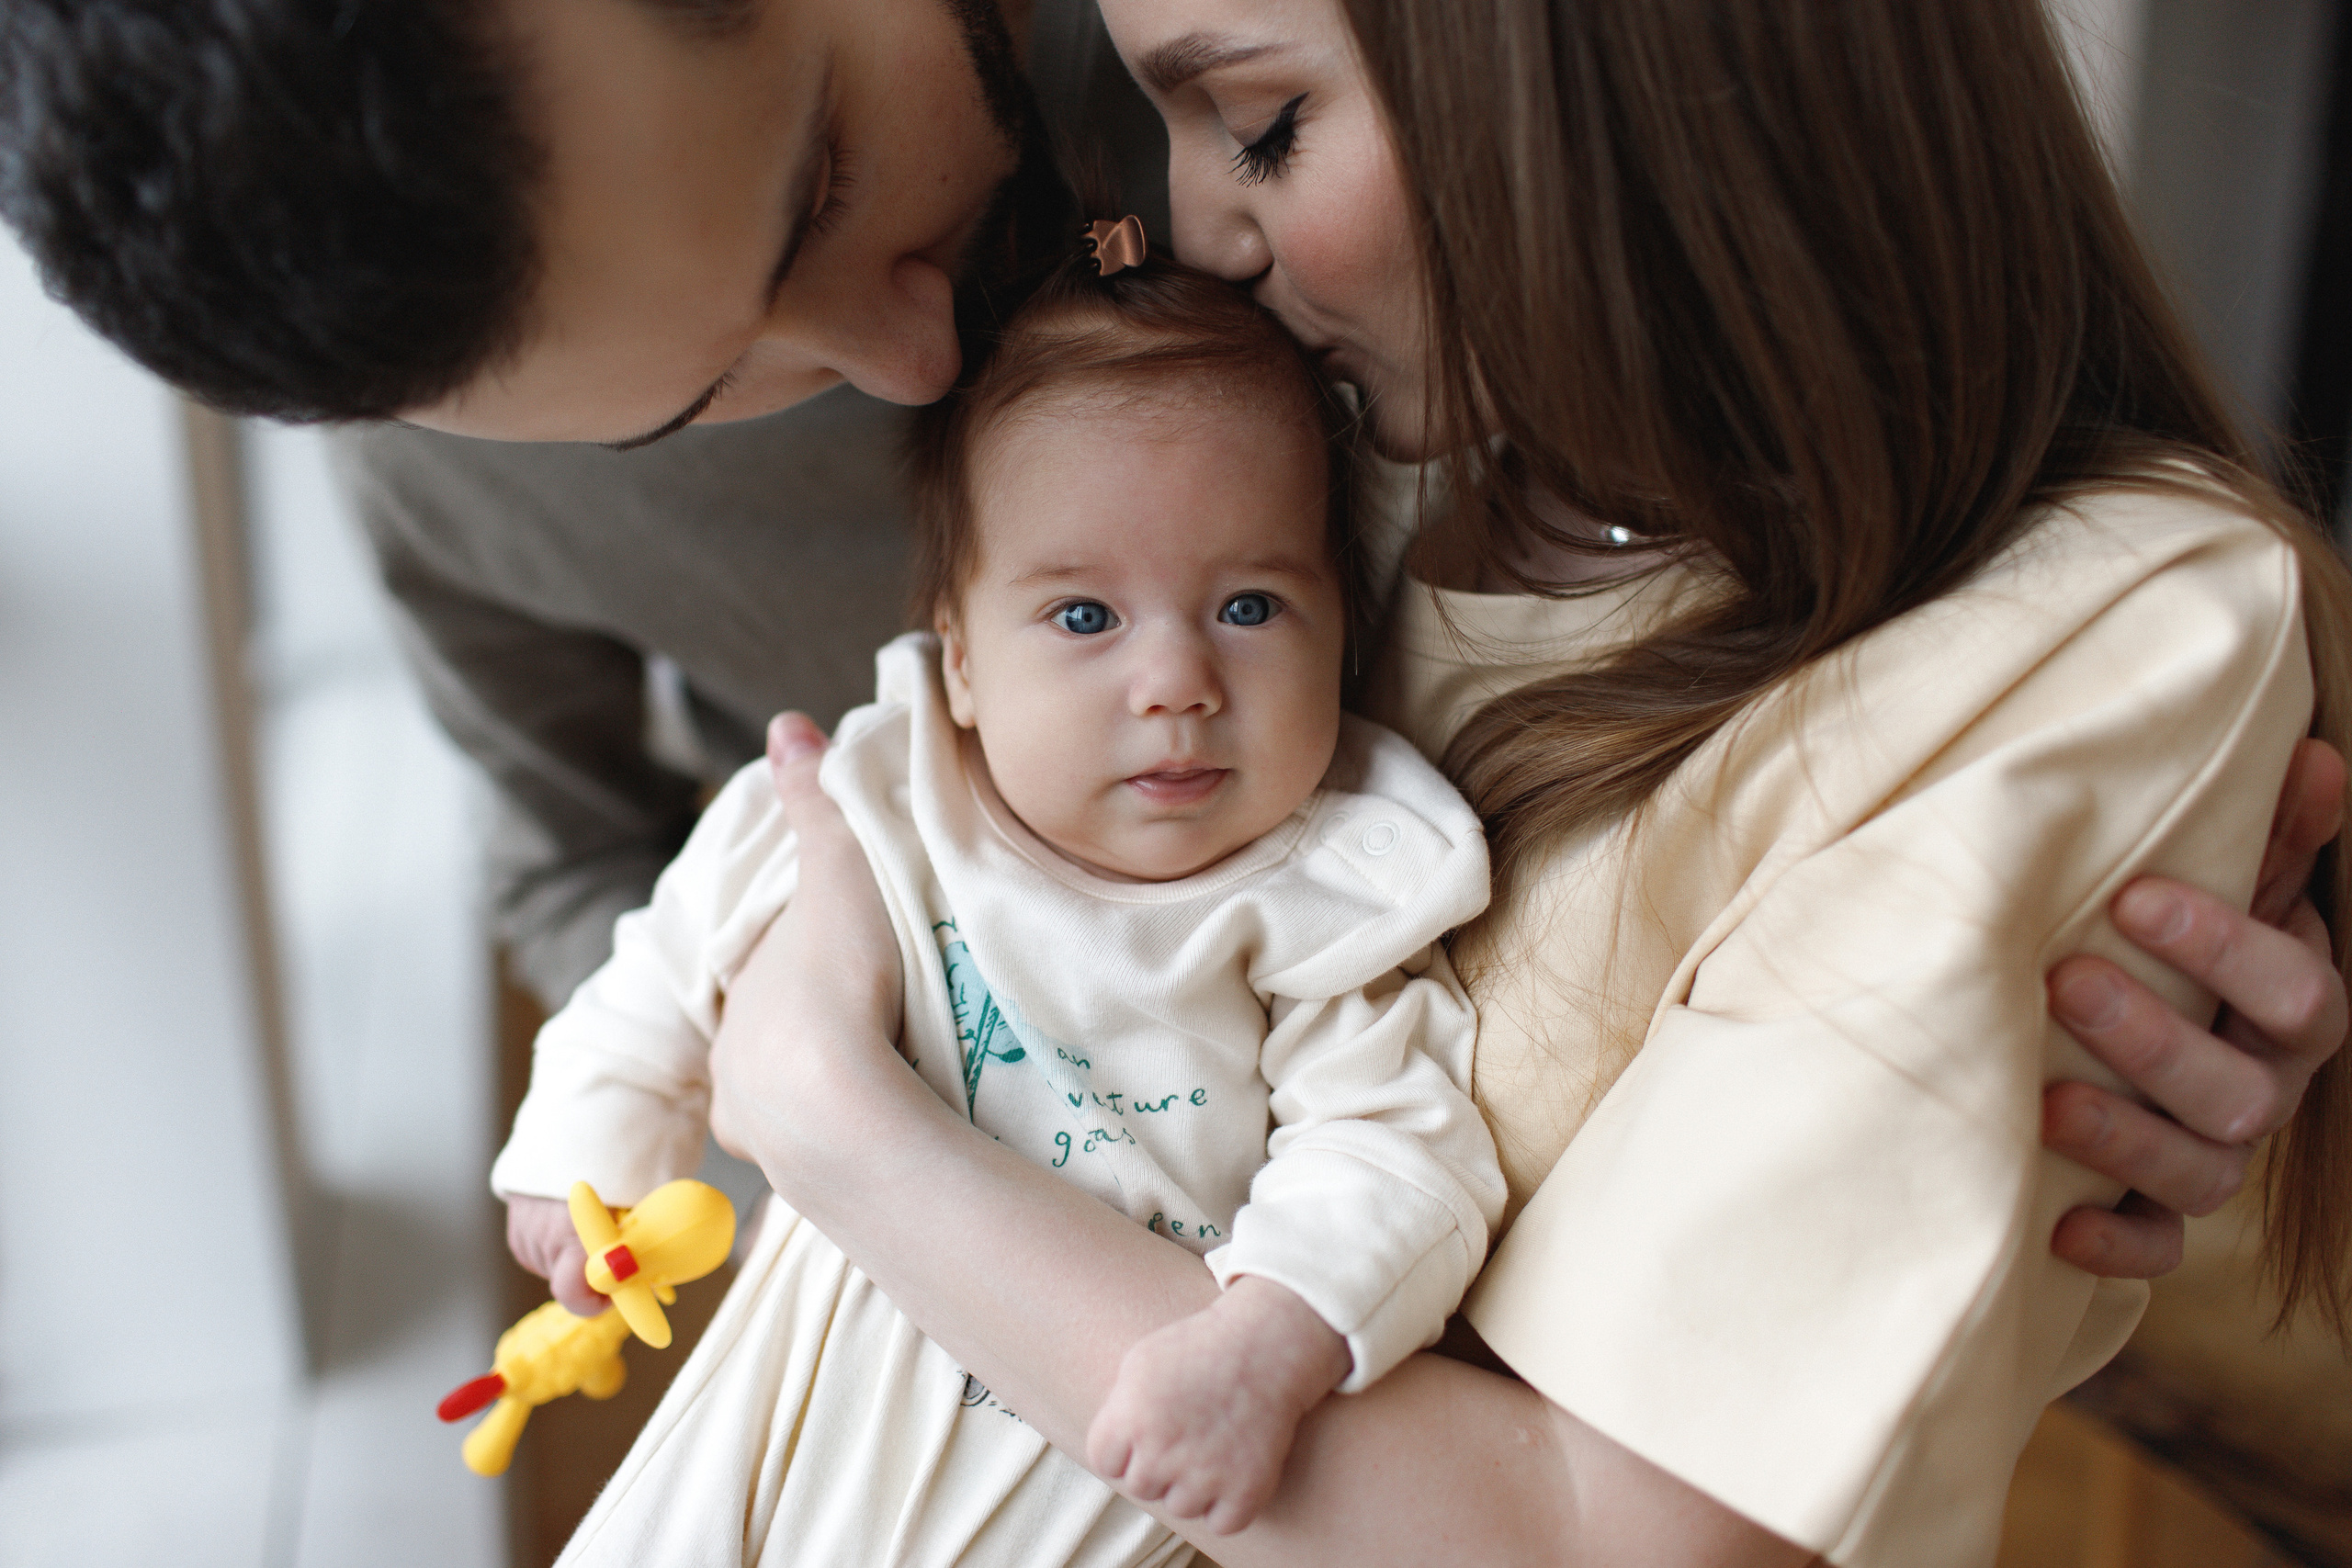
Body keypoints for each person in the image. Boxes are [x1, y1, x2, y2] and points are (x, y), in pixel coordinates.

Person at [2, 0, 2346, 1559]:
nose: (911, 354)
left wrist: (1995, 931)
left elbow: (1899, 482)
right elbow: (590, 861)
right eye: (702, 390)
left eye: (822, 188)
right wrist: (817, 1049)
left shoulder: (1332, 115)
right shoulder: (470, 478)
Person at [492, 251, 1504, 1562]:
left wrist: (1268, 1344)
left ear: (1343, 636)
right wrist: (588, 1151)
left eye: (1250, 606)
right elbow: (662, 968)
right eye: (1085, 614)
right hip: (799, 1395)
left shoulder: (1326, 894)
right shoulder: (874, 800)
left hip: (1084, 1453)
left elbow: (1401, 1153)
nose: (1177, 679)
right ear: (961, 663)